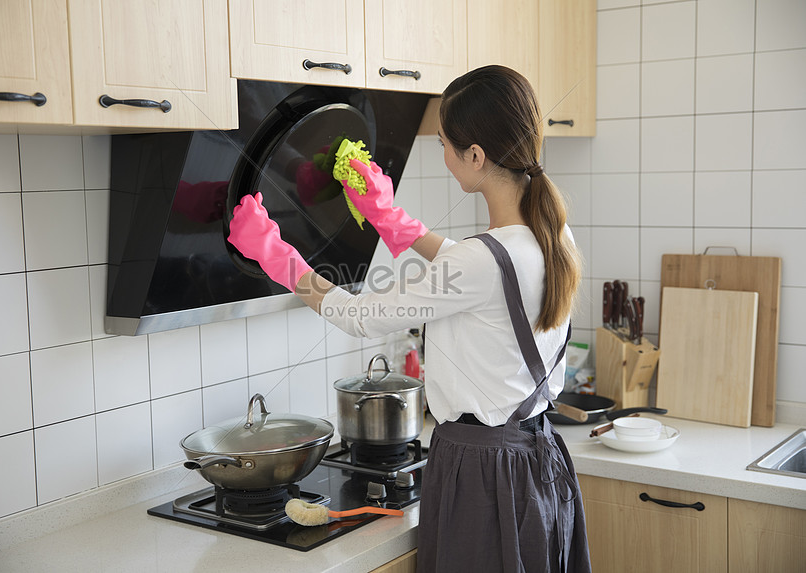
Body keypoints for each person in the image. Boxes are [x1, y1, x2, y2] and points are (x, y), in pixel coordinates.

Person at [227, 65, 591, 573]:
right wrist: (392, 220)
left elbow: (359, 316)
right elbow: (480, 274)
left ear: (477, 156)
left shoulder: (481, 258)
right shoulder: (553, 235)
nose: (442, 156)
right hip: (534, 461)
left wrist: (276, 255)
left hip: (482, 471)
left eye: (444, 144)